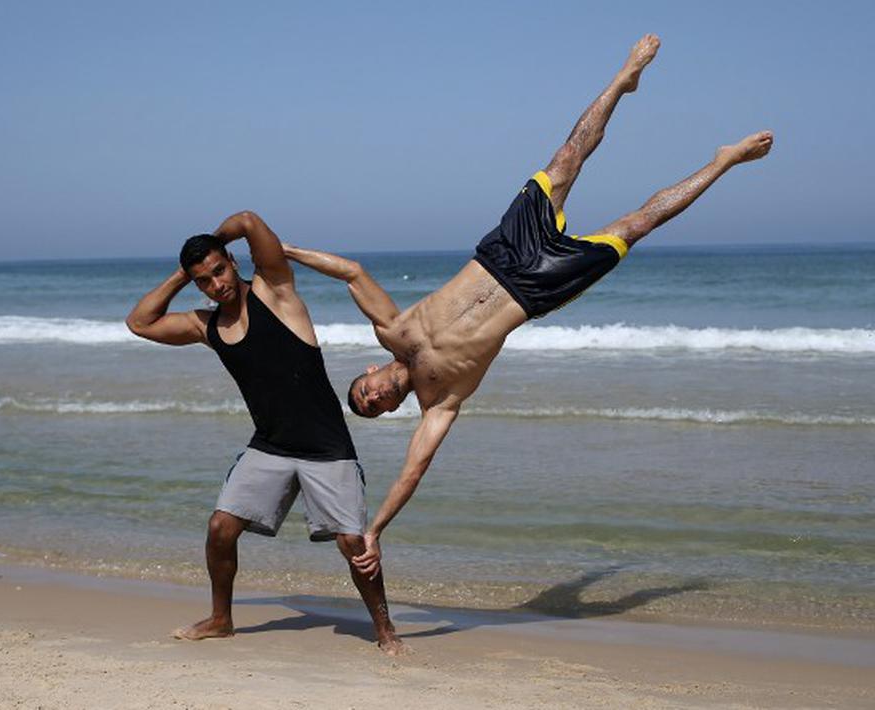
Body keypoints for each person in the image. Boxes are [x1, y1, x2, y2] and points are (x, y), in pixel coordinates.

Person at [283, 35, 773, 577]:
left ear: (371, 371)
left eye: (363, 391)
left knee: (566, 158)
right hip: (537, 289)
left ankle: (622, 80)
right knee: (636, 224)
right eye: (373, 408)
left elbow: (351, 271)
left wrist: (285, 251)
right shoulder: (439, 401)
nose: (373, 398)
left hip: (502, 251)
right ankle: (724, 162)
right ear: (391, 411)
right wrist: (375, 530)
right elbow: (413, 473)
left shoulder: (394, 329)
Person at [125, 210, 405, 654]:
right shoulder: (206, 325)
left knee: (353, 542)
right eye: (205, 280)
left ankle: (385, 630)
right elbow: (139, 322)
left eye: (219, 269)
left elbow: (249, 221)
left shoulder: (275, 292)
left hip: (327, 448)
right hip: (271, 446)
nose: (216, 283)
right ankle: (221, 619)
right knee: (220, 527)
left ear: (233, 262)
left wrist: (211, 241)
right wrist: (183, 273)